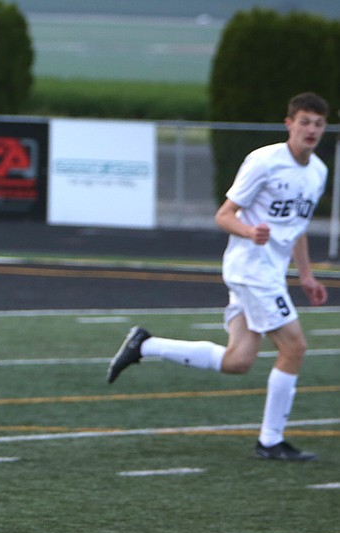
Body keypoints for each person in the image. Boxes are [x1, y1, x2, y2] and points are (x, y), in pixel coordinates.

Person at [107, 92, 330, 462]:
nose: (311, 130)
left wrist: (306, 275)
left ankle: (144, 345)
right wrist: (249, 232)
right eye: (304, 121)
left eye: (319, 124)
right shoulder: (263, 161)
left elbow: (297, 228)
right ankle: (271, 441)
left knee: (238, 361)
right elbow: (224, 215)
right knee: (295, 347)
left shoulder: (318, 171)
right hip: (251, 270)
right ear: (289, 123)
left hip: (270, 272)